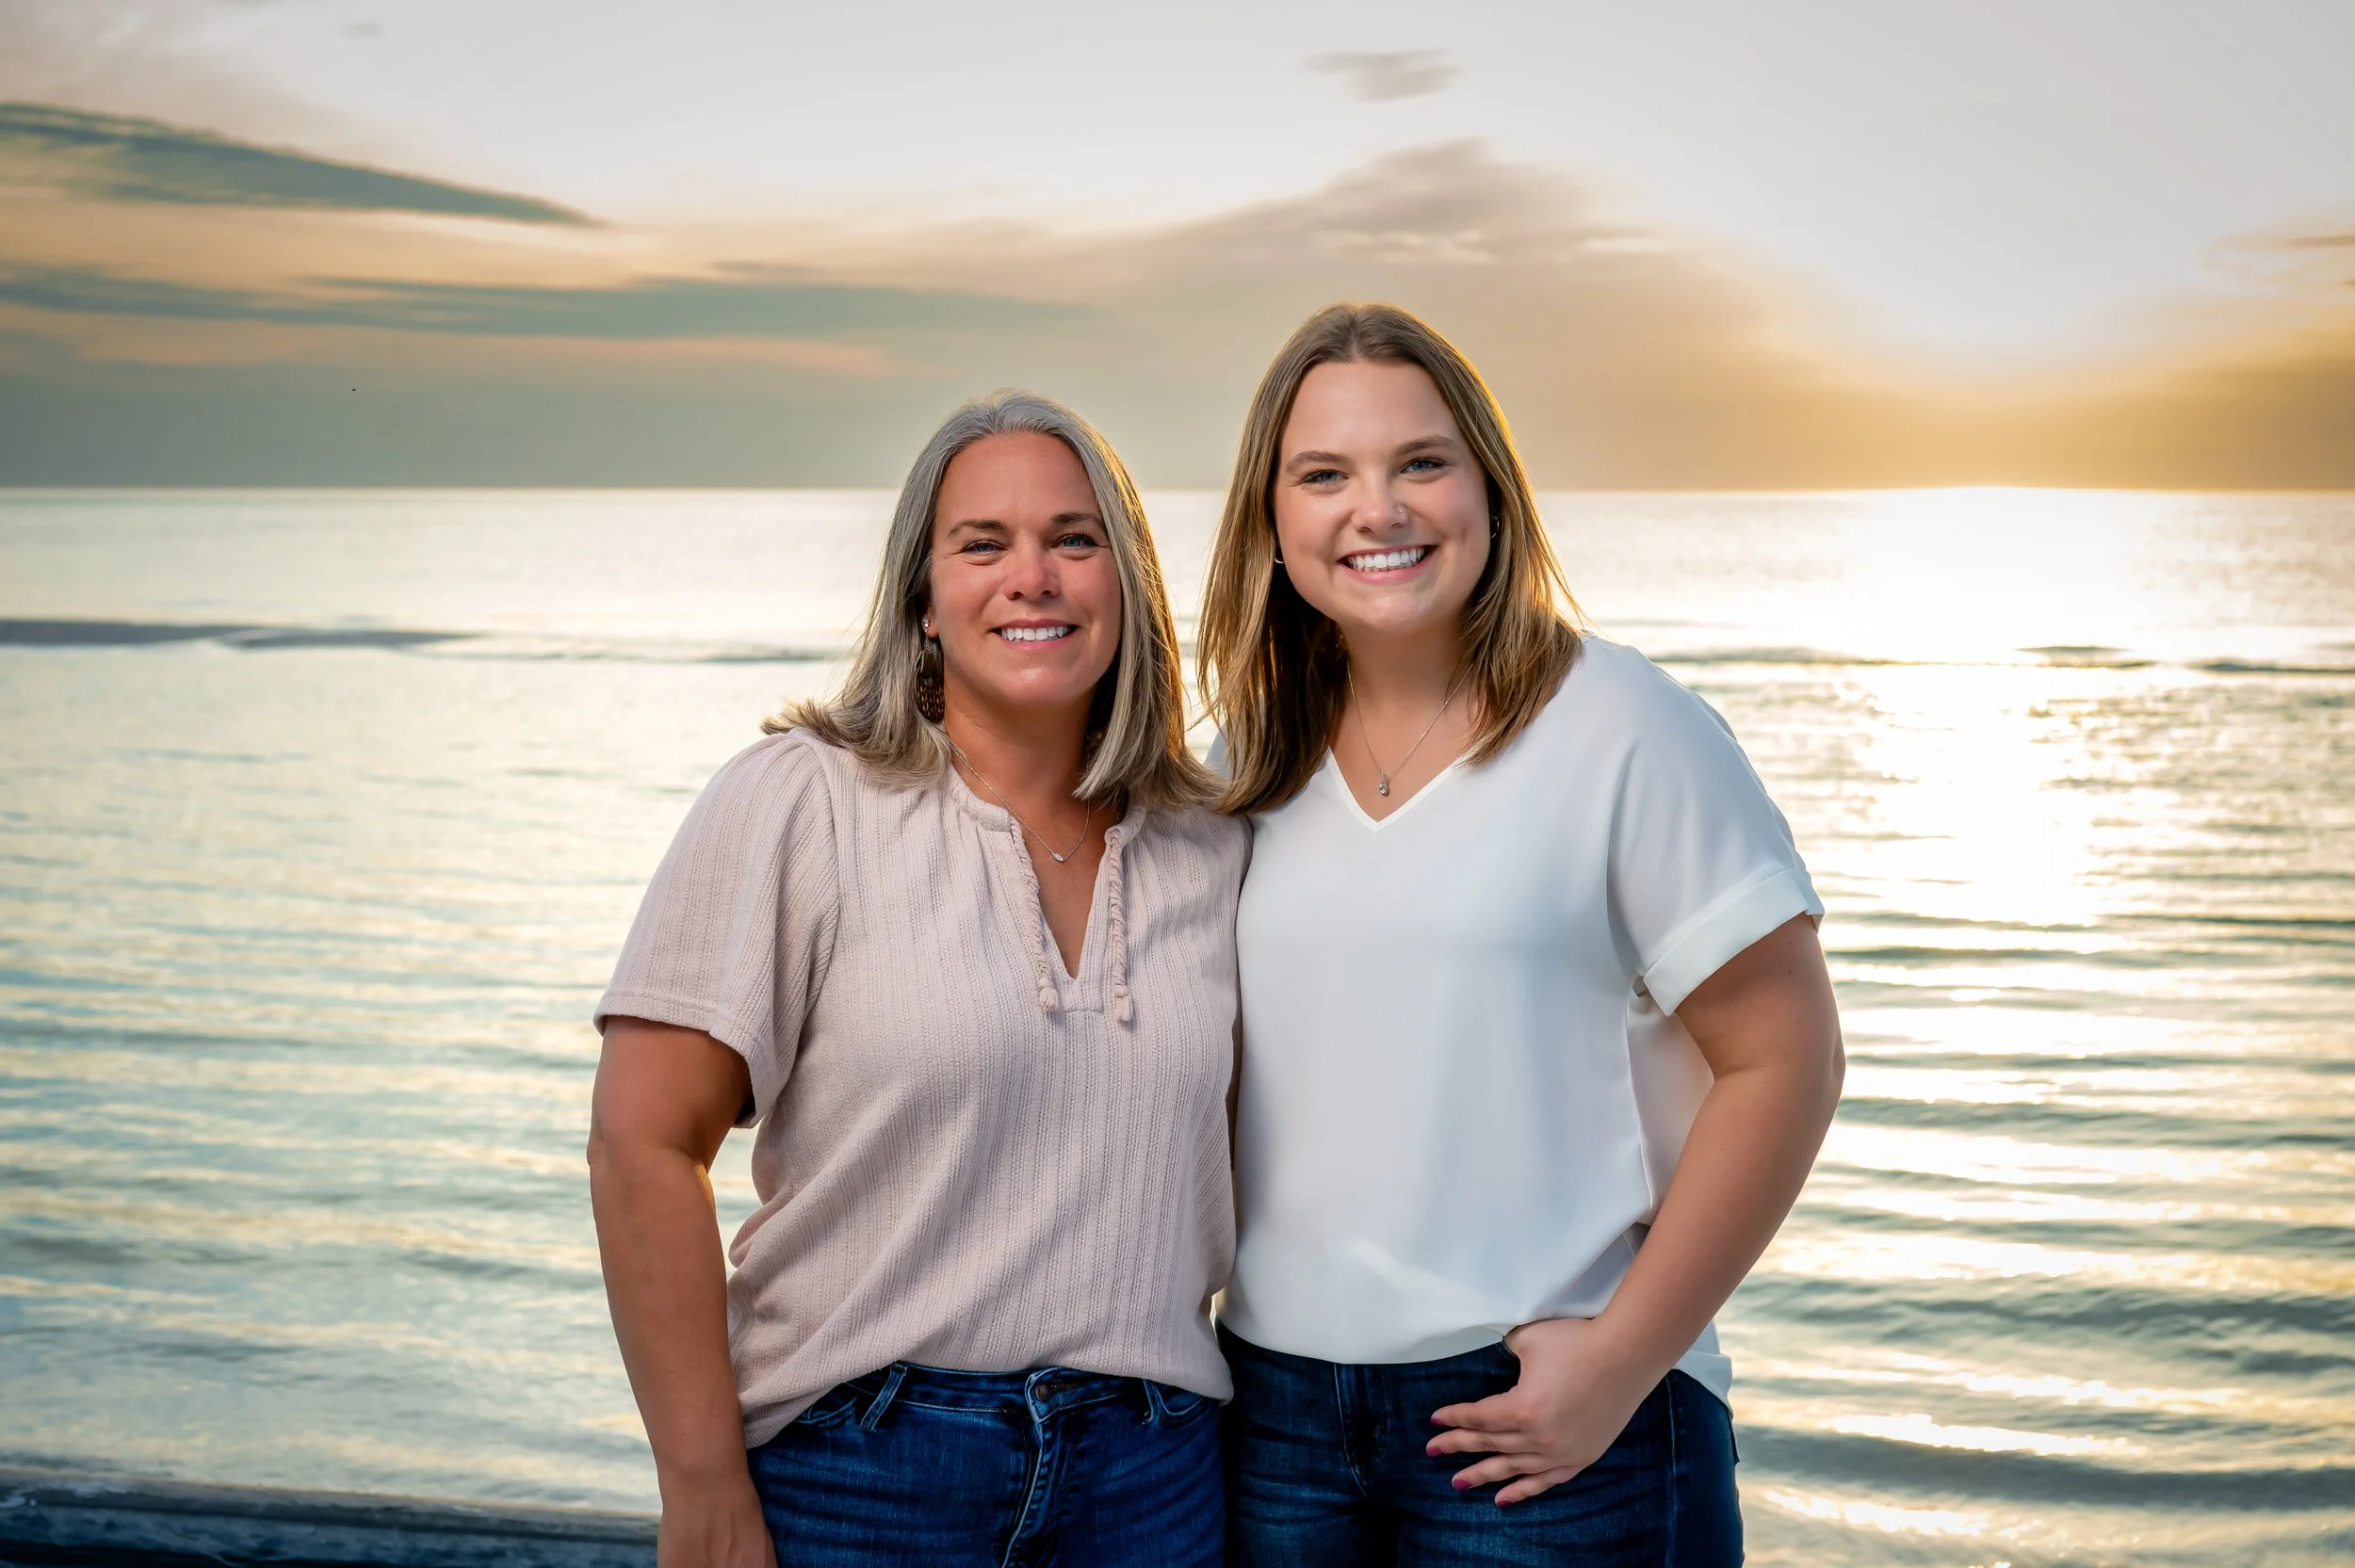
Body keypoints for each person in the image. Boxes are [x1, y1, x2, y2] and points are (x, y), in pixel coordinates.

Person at [1198, 303, 1845, 1565]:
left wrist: (1620, 1360)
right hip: (1274, 1420)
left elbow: (1790, 1060)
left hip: (1549, 1413)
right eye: (1324, 474)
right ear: (1270, 523)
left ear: (1490, 487)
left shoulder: (1627, 731)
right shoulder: (1242, 766)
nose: (1375, 509)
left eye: (1420, 464)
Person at [586, 391, 1245, 1568]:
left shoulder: (1216, 842)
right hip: (859, 1474)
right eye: (981, 545)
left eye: (1073, 539)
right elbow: (642, 1144)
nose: (1030, 577)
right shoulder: (802, 801)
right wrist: (699, 1482)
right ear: (923, 603)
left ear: (1129, 585)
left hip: (1155, 1484)